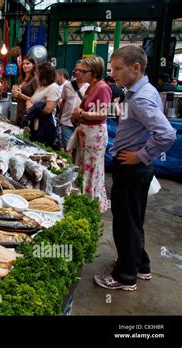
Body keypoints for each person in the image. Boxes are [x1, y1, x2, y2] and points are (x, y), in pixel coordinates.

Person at [93, 45, 176, 291]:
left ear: (135, 68)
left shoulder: (140, 97)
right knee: (133, 220)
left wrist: (140, 155)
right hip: (134, 167)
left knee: (125, 222)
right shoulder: (139, 92)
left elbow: (166, 134)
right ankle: (140, 265)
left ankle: (124, 277)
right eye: (112, 68)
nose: (113, 74)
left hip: (133, 168)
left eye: (118, 69)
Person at [71, 56, 111, 213]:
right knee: (83, 165)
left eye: (83, 71)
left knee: (93, 168)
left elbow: (103, 113)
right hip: (85, 132)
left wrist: (82, 114)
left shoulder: (103, 88)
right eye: (78, 70)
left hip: (95, 134)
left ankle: (93, 203)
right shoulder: (89, 87)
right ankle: (84, 198)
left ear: (94, 72)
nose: (79, 73)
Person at [23, 61, 60, 148]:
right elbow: (30, 100)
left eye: (37, 74)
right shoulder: (41, 87)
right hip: (34, 124)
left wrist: (32, 109)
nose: (36, 76)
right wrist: (31, 106)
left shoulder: (53, 87)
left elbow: (48, 109)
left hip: (44, 126)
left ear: (44, 75)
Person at [58, 61, 89, 152]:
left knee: (78, 149)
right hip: (66, 121)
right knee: (68, 148)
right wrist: (60, 116)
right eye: (76, 70)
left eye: (81, 70)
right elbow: (63, 101)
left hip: (81, 122)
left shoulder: (89, 87)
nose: (78, 72)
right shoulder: (67, 85)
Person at [12, 55, 38, 127]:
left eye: (27, 63)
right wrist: (14, 93)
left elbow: (37, 100)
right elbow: (17, 96)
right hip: (19, 112)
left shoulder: (35, 80)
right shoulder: (21, 79)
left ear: (33, 65)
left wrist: (21, 95)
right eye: (23, 64)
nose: (25, 66)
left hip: (28, 114)